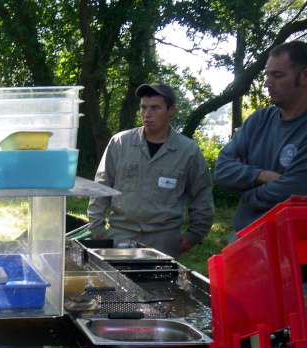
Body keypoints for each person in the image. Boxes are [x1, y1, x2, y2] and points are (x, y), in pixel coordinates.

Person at [88, 83, 214, 258]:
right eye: (144, 107)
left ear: (171, 110)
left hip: (164, 241)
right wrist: (97, 228)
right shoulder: (120, 143)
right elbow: (100, 186)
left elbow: (202, 196)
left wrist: (194, 235)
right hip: (120, 236)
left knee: (158, 285)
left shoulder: (188, 151)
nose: (147, 114)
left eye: (155, 108)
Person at [215, 40, 307, 235]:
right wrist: (260, 176)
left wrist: (247, 193)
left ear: (305, 76)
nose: (267, 83)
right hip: (244, 244)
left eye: (278, 75)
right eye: (267, 75)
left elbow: (293, 191)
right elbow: (222, 169)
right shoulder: (259, 120)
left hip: (291, 251)